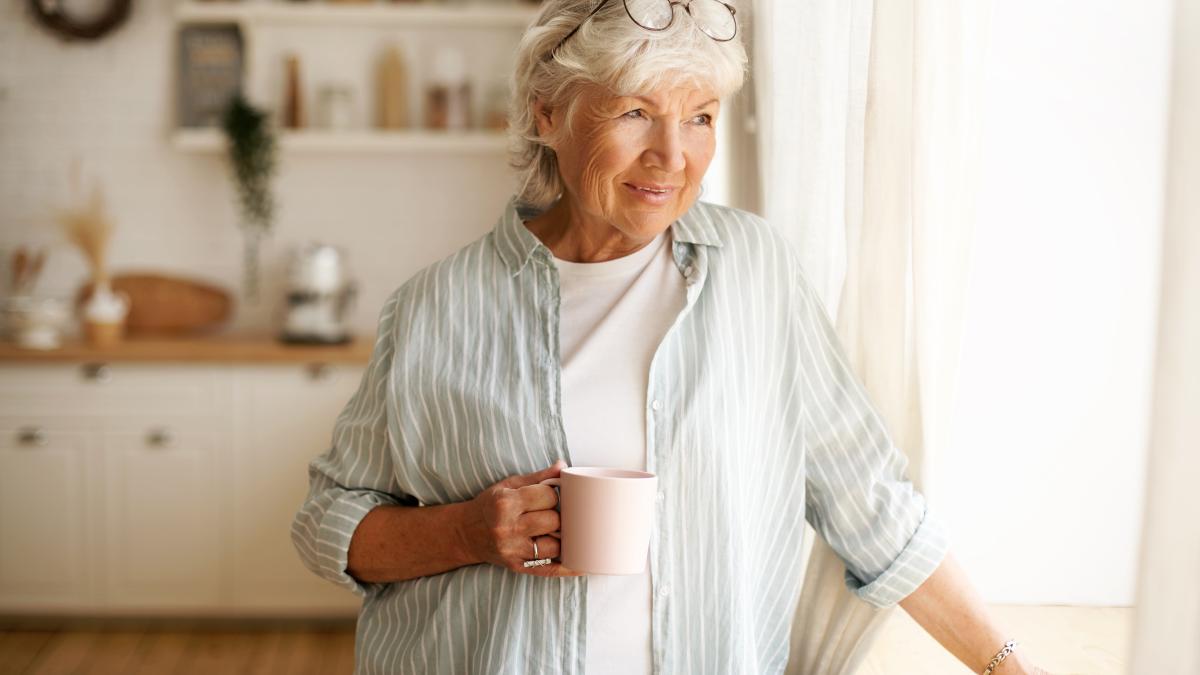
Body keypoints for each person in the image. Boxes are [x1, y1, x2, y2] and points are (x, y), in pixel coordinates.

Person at [292, 0, 1050, 673]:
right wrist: (467, 531)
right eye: (634, 112)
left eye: (701, 116)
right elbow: (329, 523)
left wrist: (1003, 664)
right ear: (548, 113)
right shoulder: (434, 306)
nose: (673, 155)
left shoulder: (755, 272)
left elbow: (871, 500)